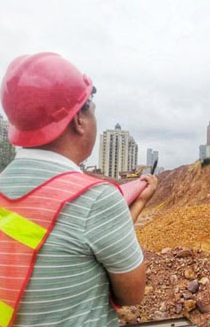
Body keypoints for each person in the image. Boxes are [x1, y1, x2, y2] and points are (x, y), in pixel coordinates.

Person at [0, 52, 157, 327]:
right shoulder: (96, 199)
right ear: (79, 121)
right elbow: (131, 294)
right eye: (92, 110)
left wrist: (134, 205)